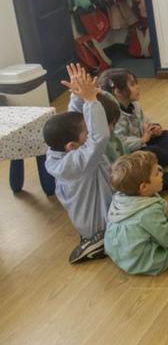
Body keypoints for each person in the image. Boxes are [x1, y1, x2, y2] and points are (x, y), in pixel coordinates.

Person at [43, 65, 112, 263]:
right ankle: (95, 244)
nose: (89, 131)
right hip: (100, 224)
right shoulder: (75, 164)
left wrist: (78, 94)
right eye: (86, 132)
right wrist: (90, 100)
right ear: (72, 145)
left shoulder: (58, 150)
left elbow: (73, 120)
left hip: (99, 215)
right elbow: (99, 138)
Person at [104, 151, 168, 275]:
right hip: (146, 261)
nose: (161, 173)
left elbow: (162, 211)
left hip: (125, 256)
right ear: (144, 187)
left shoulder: (123, 197)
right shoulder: (147, 213)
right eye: (156, 173)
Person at [98, 68, 168, 167]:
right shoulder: (114, 114)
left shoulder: (134, 105)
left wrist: (153, 129)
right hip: (129, 153)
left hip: (142, 143)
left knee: (166, 135)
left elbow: (144, 122)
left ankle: (159, 158)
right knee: (152, 152)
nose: (138, 87)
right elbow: (120, 143)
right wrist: (142, 140)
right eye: (132, 84)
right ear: (118, 92)